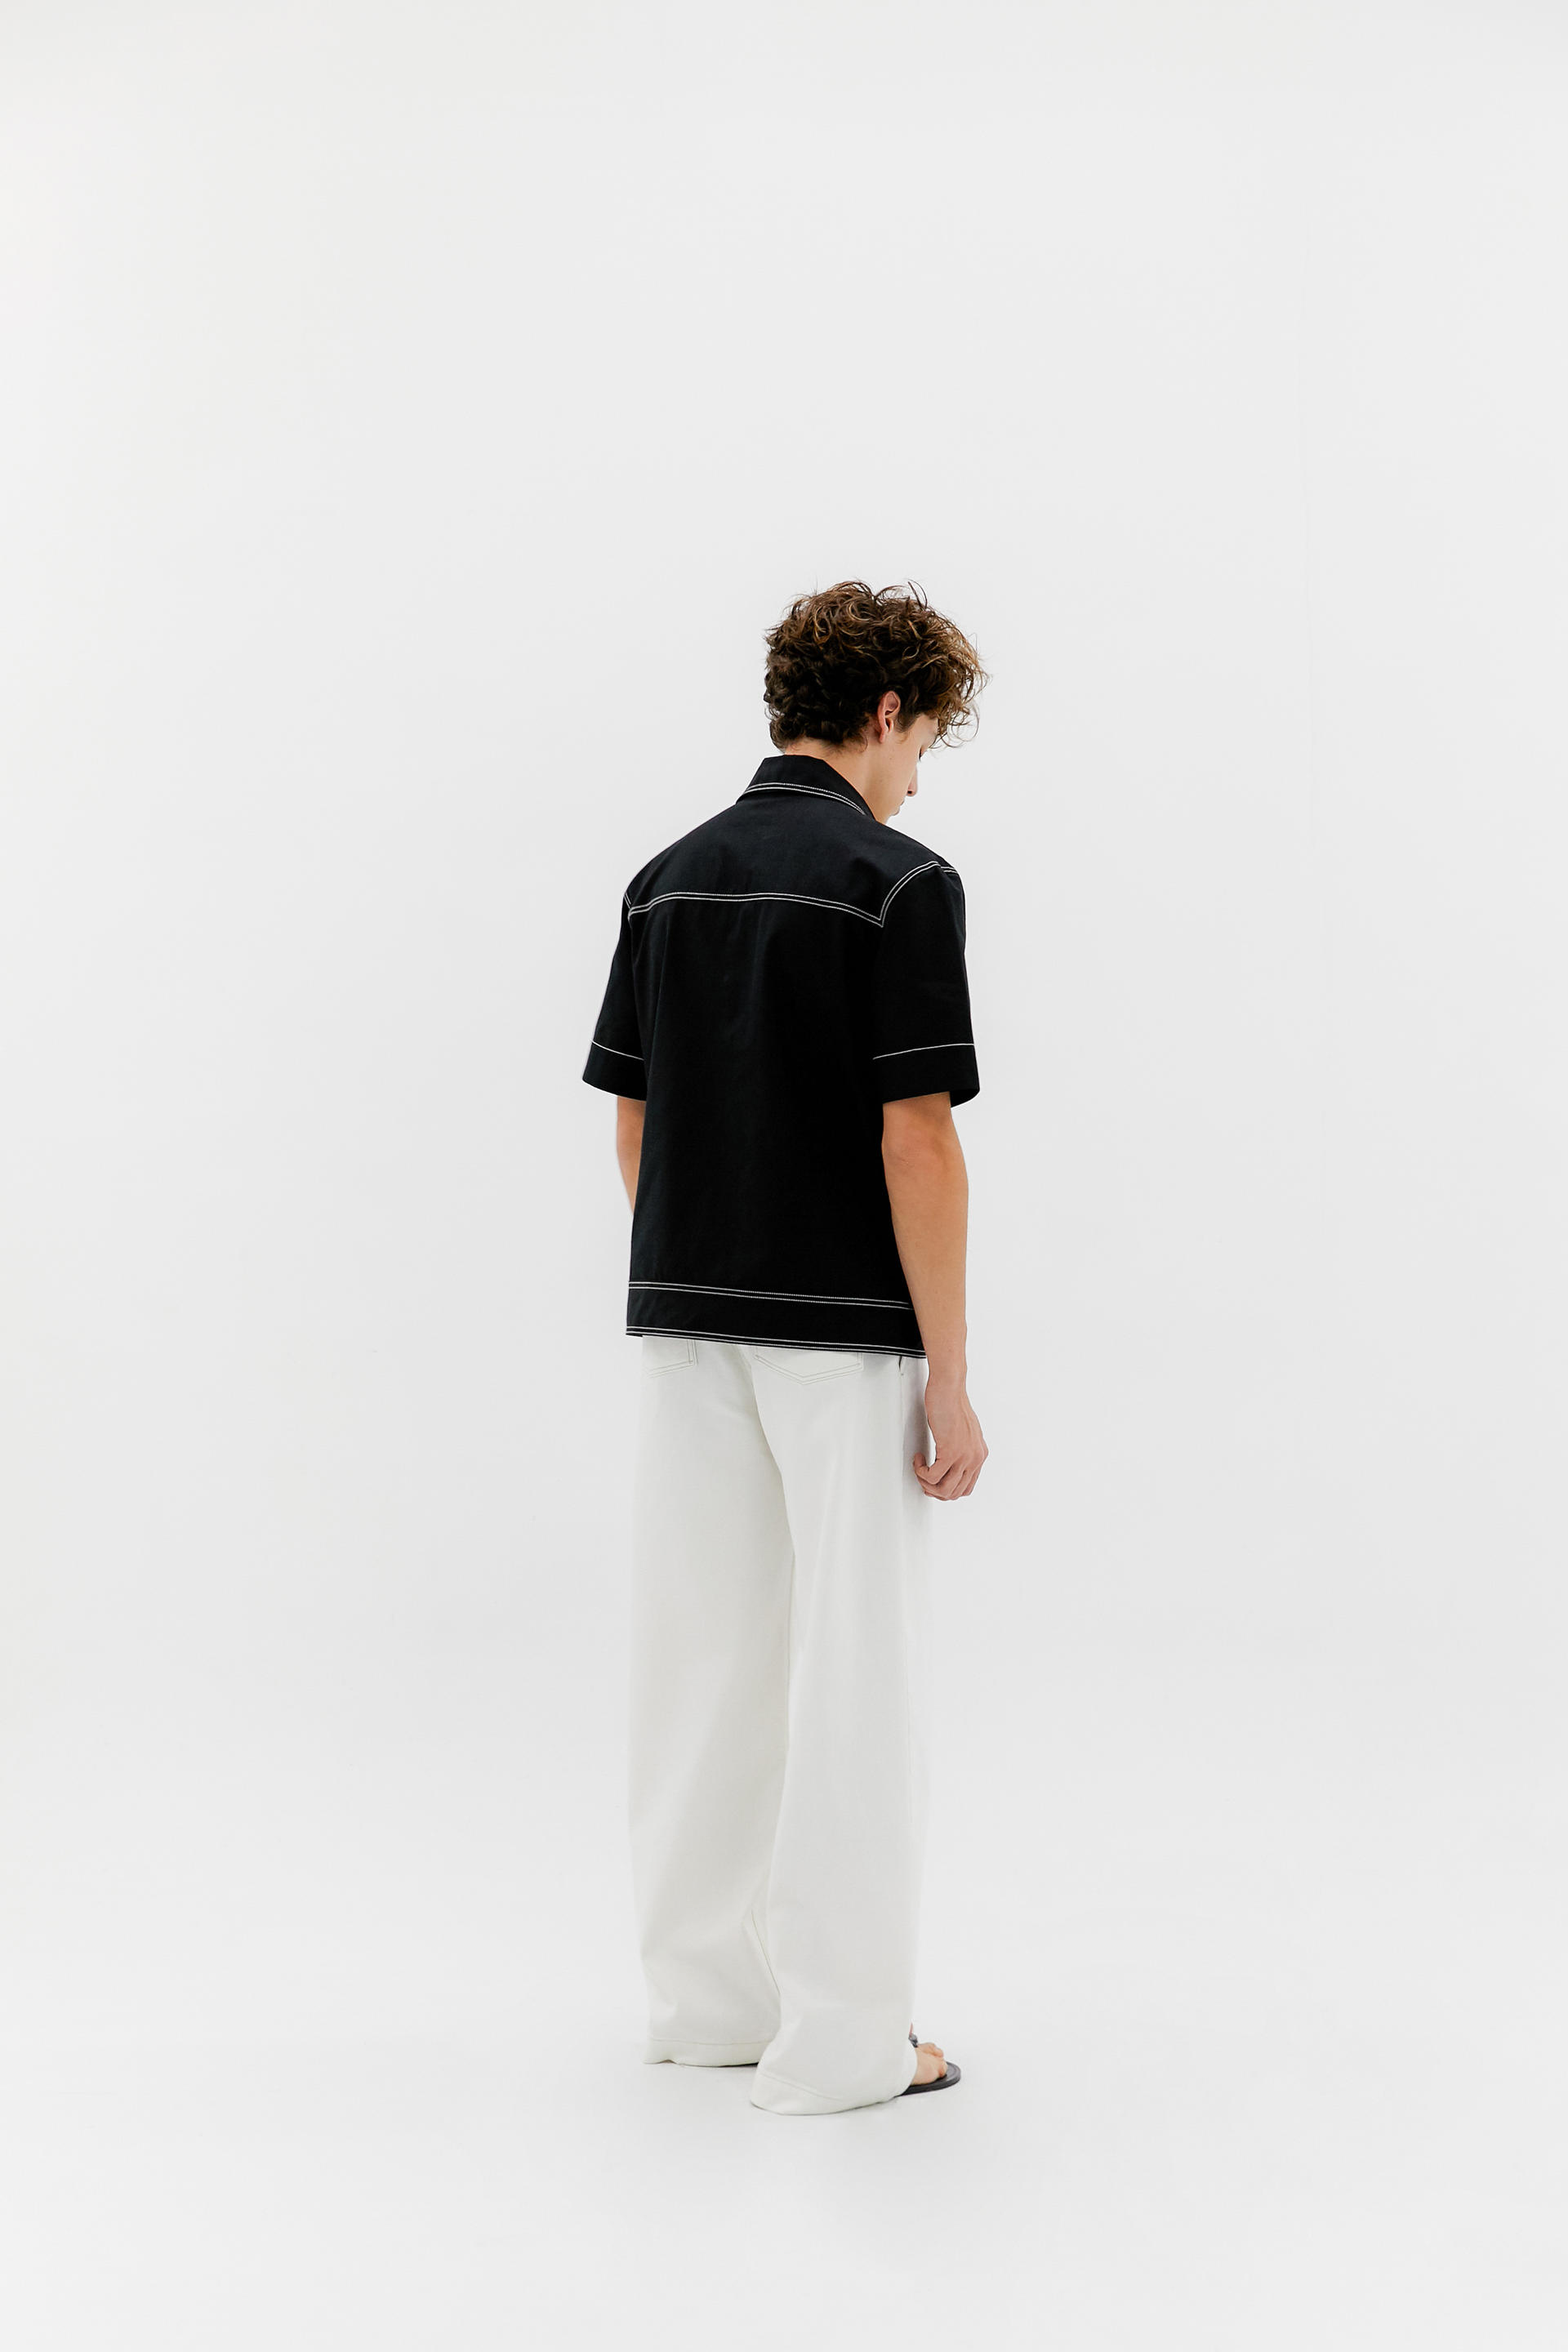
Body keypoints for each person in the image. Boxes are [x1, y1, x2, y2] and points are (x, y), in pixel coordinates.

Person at [582, 580, 988, 2115]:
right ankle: (843, 2044)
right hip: (844, 1340)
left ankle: (708, 2009)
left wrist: (706, 1260)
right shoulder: (900, 883)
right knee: (854, 1673)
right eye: (923, 743)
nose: (917, 779)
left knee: (705, 1660)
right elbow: (918, 1141)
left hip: (687, 1321)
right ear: (885, 711)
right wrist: (950, 1374)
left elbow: (637, 1122)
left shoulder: (665, 880)